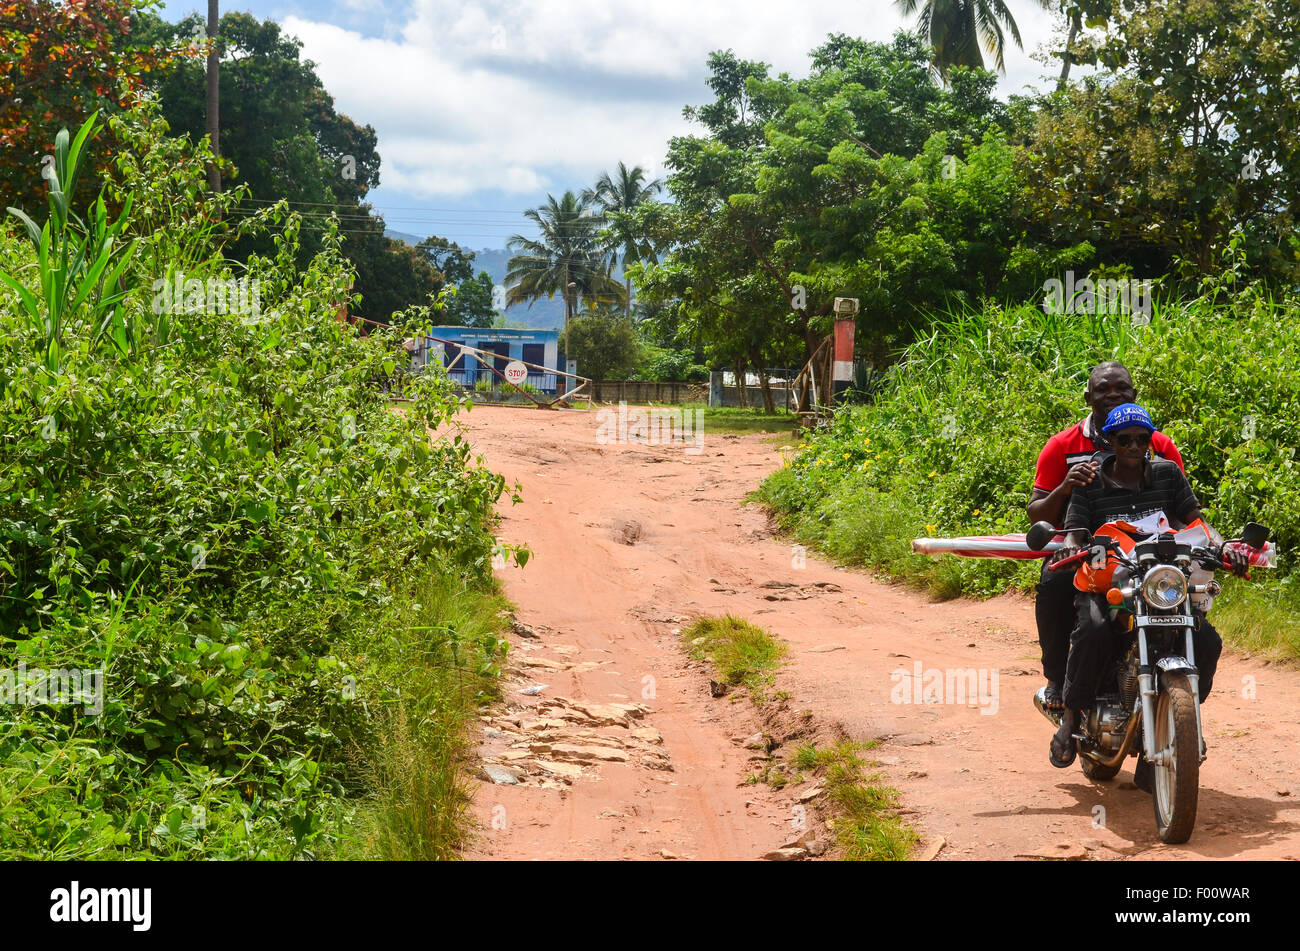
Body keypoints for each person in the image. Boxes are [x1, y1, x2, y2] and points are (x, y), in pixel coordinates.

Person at [1047, 402, 1247, 776]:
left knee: (1208, 642)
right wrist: (1076, 545)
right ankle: (1071, 721)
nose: (1135, 447)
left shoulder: (1168, 474)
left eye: (1143, 439)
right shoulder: (1089, 481)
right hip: (1108, 580)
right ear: (1110, 441)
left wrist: (1225, 548)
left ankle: (1179, 724)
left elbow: (1198, 524)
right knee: (1091, 631)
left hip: (1159, 581)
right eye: (1125, 440)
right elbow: (1074, 530)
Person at [1027, 363, 1186, 711]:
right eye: (1103, 389)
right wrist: (1067, 484)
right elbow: (1037, 512)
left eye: (1121, 389)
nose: (1113, 395)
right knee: (1056, 584)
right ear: (1088, 397)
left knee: (1194, 613)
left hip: (1149, 554)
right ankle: (1057, 678)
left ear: (1134, 394)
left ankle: (1179, 701)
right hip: (1088, 550)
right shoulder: (1062, 446)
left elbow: (1182, 506)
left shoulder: (1158, 444)